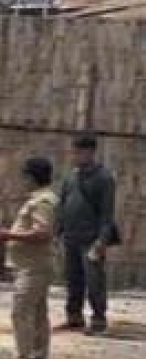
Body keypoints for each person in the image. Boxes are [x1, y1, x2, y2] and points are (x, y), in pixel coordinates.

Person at [0, 156, 59, 359]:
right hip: (32, 265)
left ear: (31, 177)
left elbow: (42, 233)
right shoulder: (41, 199)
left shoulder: (42, 201)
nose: (23, 180)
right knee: (38, 315)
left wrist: (9, 235)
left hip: (33, 267)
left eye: (25, 176)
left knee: (21, 313)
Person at [57, 134, 118, 335]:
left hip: (91, 239)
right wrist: (59, 231)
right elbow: (63, 205)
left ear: (90, 152)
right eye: (73, 152)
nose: (75, 156)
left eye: (79, 152)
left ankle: (98, 320)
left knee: (94, 281)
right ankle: (74, 317)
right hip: (71, 236)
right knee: (73, 279)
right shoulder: (70, 177)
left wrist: (102, 240)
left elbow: (107, 213)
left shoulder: (104, 178)